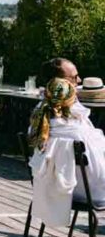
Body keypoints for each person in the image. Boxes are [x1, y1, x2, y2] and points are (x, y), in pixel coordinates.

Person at [28, 77, 105, 226]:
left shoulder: (38, 128)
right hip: (90, 193)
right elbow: (99, 169)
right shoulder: (81, 131)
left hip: (51, 188)